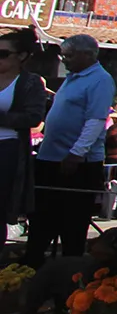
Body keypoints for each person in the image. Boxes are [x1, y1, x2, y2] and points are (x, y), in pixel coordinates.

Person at [25, 33, 115, 266]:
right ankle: (33, 270)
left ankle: (69, 278)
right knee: (41, 222)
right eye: (63, 55)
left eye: (69, 55)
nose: (64, 60)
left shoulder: (99, 79)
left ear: (88, 54)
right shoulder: (72, 77)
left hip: (76, 162)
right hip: (50, 157)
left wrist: (76, 152)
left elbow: (95, 120)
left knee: (72, 225)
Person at [0, 28, 49, 260]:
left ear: (21, 56)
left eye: (3, 54)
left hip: (7, 148)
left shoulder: (30, 83)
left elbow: (34, 117)